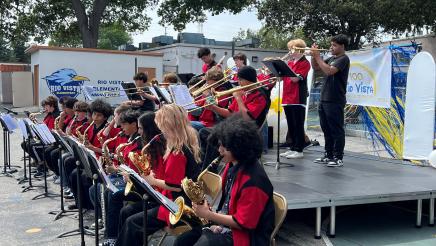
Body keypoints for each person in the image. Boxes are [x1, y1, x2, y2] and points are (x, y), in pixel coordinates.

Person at [174, 115, 275, 246]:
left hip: (247, 238)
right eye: (219, 145)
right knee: (181, 241)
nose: (219, 150)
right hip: (228, 228)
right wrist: (214, 221)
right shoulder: (233, 165)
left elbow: (243, 223)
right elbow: (229, 206)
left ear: (239, 147)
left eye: (224, 146)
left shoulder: (254, 181)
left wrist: (208, 215)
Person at [116, 104, 201, 246]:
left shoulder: (177, 152)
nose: (160, 131)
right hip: (178, 201)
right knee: (131, 219)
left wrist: (152, 180)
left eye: (161, 126)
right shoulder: (186, 142)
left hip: (176, 206)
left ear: (168, 125)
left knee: (132, 223)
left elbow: (175, 187)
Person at [200, 66, 270, 170]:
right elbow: (229, 113)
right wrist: (213, 108)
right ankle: (208, 167)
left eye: (241, 79)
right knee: (203, 133)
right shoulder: (243, 92)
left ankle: (208, 170)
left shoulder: (260, 96)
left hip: (248, 132)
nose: (238, 82)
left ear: (249, 80)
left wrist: (238, 98)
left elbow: (247, 119)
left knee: (212, 135)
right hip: (235, 127)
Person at [311, 34, 350, 167]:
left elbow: (329, 71)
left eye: (334, 45)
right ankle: (328, 154)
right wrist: (313, 56)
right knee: (326, 128)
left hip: (335, 99)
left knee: (336, 129)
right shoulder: (332, 58)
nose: (331, 47)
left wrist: (317, 56)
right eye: (331, 44)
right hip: (324, 98)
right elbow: (317, 68)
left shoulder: (343, 59)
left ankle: (338, 157)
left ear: (342, 46)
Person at [279, 39, 311, 159]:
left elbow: (295, 79)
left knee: (298, 124)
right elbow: (282, 79)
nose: (290, 52)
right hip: (287, 96)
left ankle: (299, 149)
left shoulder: (305, 63)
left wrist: (285, 66)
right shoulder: (291, 62)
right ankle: (292, 147)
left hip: (297, 97)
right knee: (291, 124)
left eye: (291, 49)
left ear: (298, 49)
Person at [189, 67, 232, 131]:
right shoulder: (209, 89)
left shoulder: (222, 91)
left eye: (207, 80)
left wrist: (208, 96)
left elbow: (217, 111)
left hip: (213, 123)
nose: (206, 83)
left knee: (186, 125)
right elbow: (200, 110)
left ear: (214, 80)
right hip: (203, 121)